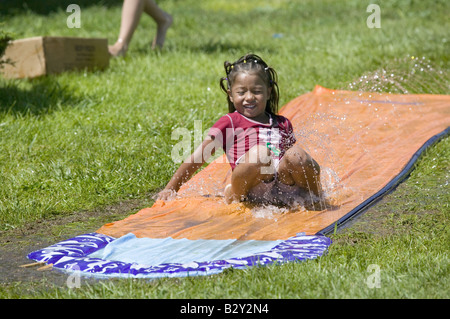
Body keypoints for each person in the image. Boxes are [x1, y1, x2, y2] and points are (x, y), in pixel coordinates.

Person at [157, 53, 323, 207]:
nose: (249, 97)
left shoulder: (282, 123)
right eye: (241, 92)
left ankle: (317, 197)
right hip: (249, 187)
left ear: (268, 92)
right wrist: (171, 188)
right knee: (260, 154)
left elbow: (292, 164)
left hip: (282, 187)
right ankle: (235, 195)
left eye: (257, 91)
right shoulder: (230, 122)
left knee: (296, 154)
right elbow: (199, 156)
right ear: (230, 94)